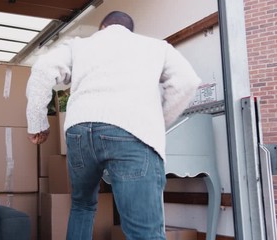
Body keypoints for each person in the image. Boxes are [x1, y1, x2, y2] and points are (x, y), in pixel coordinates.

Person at [26, 11, 201, 240]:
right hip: (132, 130)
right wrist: (155, 124)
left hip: (80, 132)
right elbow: (187, 81)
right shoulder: (156, 47)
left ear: (102, 28)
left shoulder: (80, 46)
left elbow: (41, 70)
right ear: (130, 31)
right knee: (144, 232)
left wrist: (37, 122)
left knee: (82, 206)